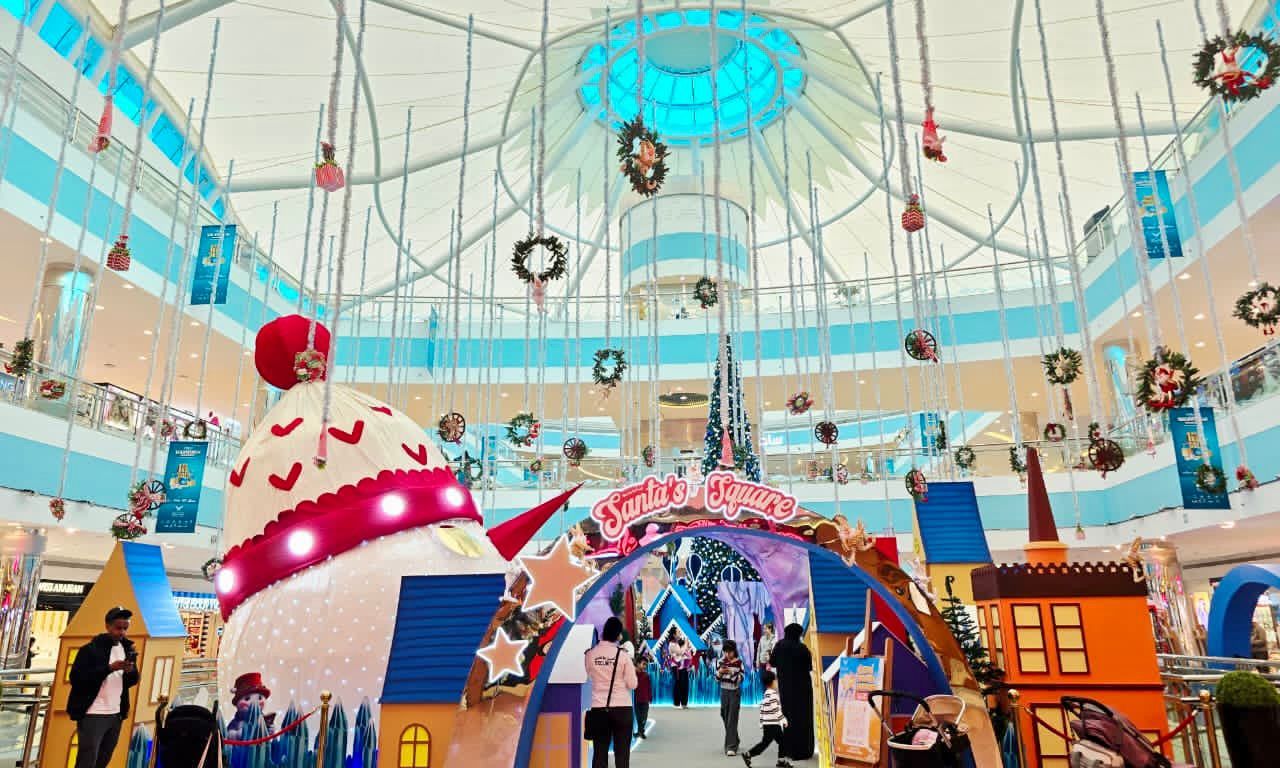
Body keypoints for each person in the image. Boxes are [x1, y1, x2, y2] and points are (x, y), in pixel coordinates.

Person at [67, 607, 139, 768]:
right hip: (93, 712)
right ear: (108, 626)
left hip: (116, 714)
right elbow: (77, 679)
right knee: (87, 761)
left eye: (125, 628)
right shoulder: (89, 650)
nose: (122, 632)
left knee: (104, 760)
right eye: (118, 628)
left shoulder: (127, 649)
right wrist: (109, 669)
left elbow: (132, 681)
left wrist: (130, 671)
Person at [585, 617, 638, 768]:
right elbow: (632, 684)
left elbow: (589, 674)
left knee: (599, 754)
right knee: (622, 755)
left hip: (599, 709)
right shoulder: (623, 655)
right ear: (618, 635)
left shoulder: (590, 654)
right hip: (622, 709)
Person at [769, 623, 814, 761]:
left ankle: (789, 749)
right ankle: (803, 750)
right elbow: (809, 667)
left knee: (788, 717)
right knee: (802, 718)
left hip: (786, 688)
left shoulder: (779, 646)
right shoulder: (802, 648)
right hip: (802, 690)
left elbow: (772, 662)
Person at [741, 670, 789, 768]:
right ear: (773, 682)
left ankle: (781, 761)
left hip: (770, 724)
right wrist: (783, 719)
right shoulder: (773, 695)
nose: (777, 683)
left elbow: (762, 709)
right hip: (773, 725)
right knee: (765, 743)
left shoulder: (766, 694)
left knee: (781, 742)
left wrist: (761, 722)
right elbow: (776, 709)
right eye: (776, 680)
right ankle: (748, 754)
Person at [716, 640, 745, 756]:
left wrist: (731, 672)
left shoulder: (739, 662)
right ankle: (735, 739)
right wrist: (720, 672)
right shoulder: (720, 661)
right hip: (724, 691)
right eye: (725, 652)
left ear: (734, 651)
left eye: (730, 652)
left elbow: (741, 678)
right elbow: (716, 679)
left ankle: (731, 747)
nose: (727, 654)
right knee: (724, 715)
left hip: (734, 692)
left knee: (732, 718)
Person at [668, 634, 693, 709]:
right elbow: (678, 654)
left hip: (684, 669)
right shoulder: (673, 645)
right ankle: (677, 703)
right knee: (678, 685)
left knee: (685, 685)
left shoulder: (686, 649)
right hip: (677, 668)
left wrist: (688, 662)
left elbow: (689, 658)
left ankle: (684, 703)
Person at [633, 648, 652, 739]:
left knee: (644, 717)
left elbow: (649, 687)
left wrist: (650, 697)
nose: (645, 666)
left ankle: (641, 731)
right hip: (636, 700)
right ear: (637, 664)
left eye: (646, 665)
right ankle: (640, 731)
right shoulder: (633, 674)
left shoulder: (646, 675)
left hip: (645, 700)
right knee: (638, 717)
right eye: (643, 664)